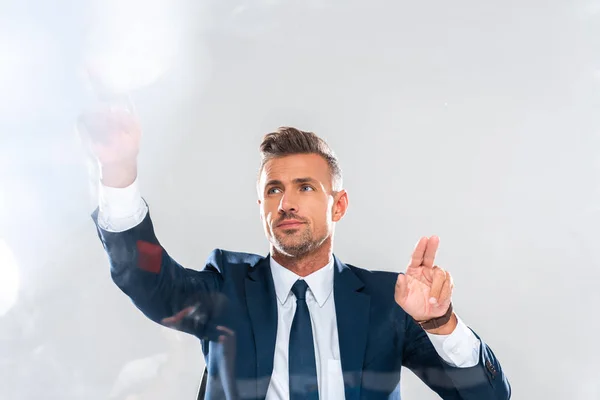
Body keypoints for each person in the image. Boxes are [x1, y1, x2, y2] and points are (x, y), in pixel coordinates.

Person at [79, 107, 511, 400]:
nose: (286, 202)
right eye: (273, 190)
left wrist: (439, 322)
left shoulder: (387, 301)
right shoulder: (226, 288)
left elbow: (487, 396)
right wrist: (118, 174)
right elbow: (146, 278)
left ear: (337, 205)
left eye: (305, 187)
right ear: (262, 207)